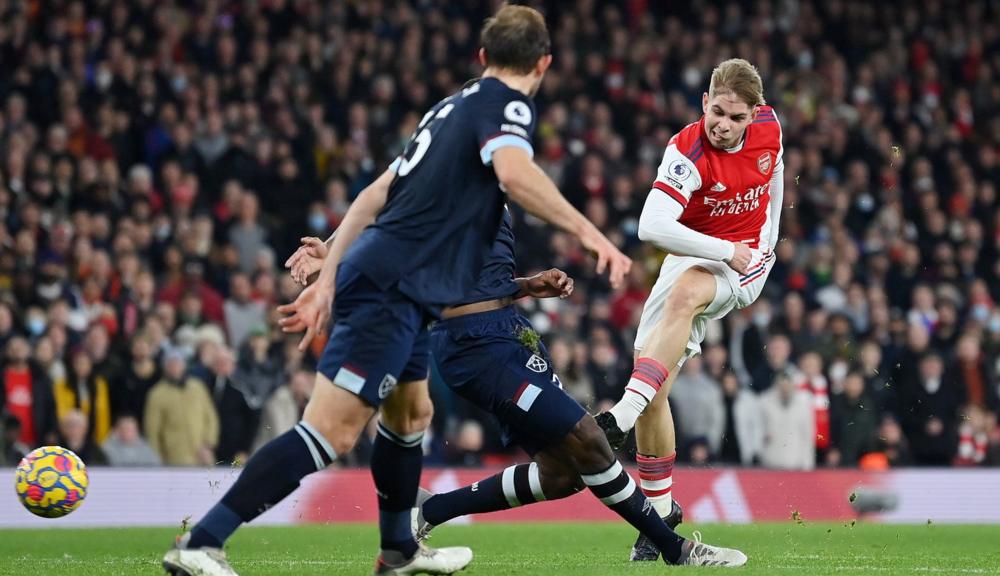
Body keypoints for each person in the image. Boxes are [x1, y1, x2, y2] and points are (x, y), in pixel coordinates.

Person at [163, 6, 629, 576]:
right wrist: (589, 232)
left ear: (482, 56)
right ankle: (201, 543)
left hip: (406, 293)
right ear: (544, 65)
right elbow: (513, 174)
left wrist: (330, 260)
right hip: (388, 289)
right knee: (330, 430)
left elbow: (376, 193)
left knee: (411, 414)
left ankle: (399, 551)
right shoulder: (505, 106)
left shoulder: (446, 112)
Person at [288, 215, 746, 567]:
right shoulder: (447, 172)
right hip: (474, 345)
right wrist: (330, 252)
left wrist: (526, 286)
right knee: (588, 438)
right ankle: (672, 547)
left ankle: (429, 510)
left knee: (561, 474)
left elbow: (479, 272)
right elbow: (384, 211)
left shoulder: (491, 187)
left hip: (510, 330)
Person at [595, 58, 785, 561]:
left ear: (755, 115)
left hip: (745, 259)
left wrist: (768, 239)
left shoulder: (770, 129)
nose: (723, 124)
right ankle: (659, 521)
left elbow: (777, 173)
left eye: (735, 118)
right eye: (716, 111)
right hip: (698, 253)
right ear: (705, 102)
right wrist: (720, 249)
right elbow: (649, 227)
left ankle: (622, 413)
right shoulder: (686, 151)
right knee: (653, 384)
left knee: (683, 301)